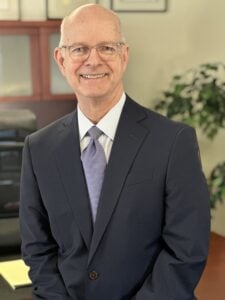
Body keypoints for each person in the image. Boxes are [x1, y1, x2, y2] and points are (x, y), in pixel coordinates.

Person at [20, 4, 210, 300]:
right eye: (79, 49)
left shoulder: (174, 142)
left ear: (124, 55)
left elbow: (186, 251)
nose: (93, 61)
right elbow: (37, 248)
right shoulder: (39, 148)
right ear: (61, 59)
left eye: (106, 47)